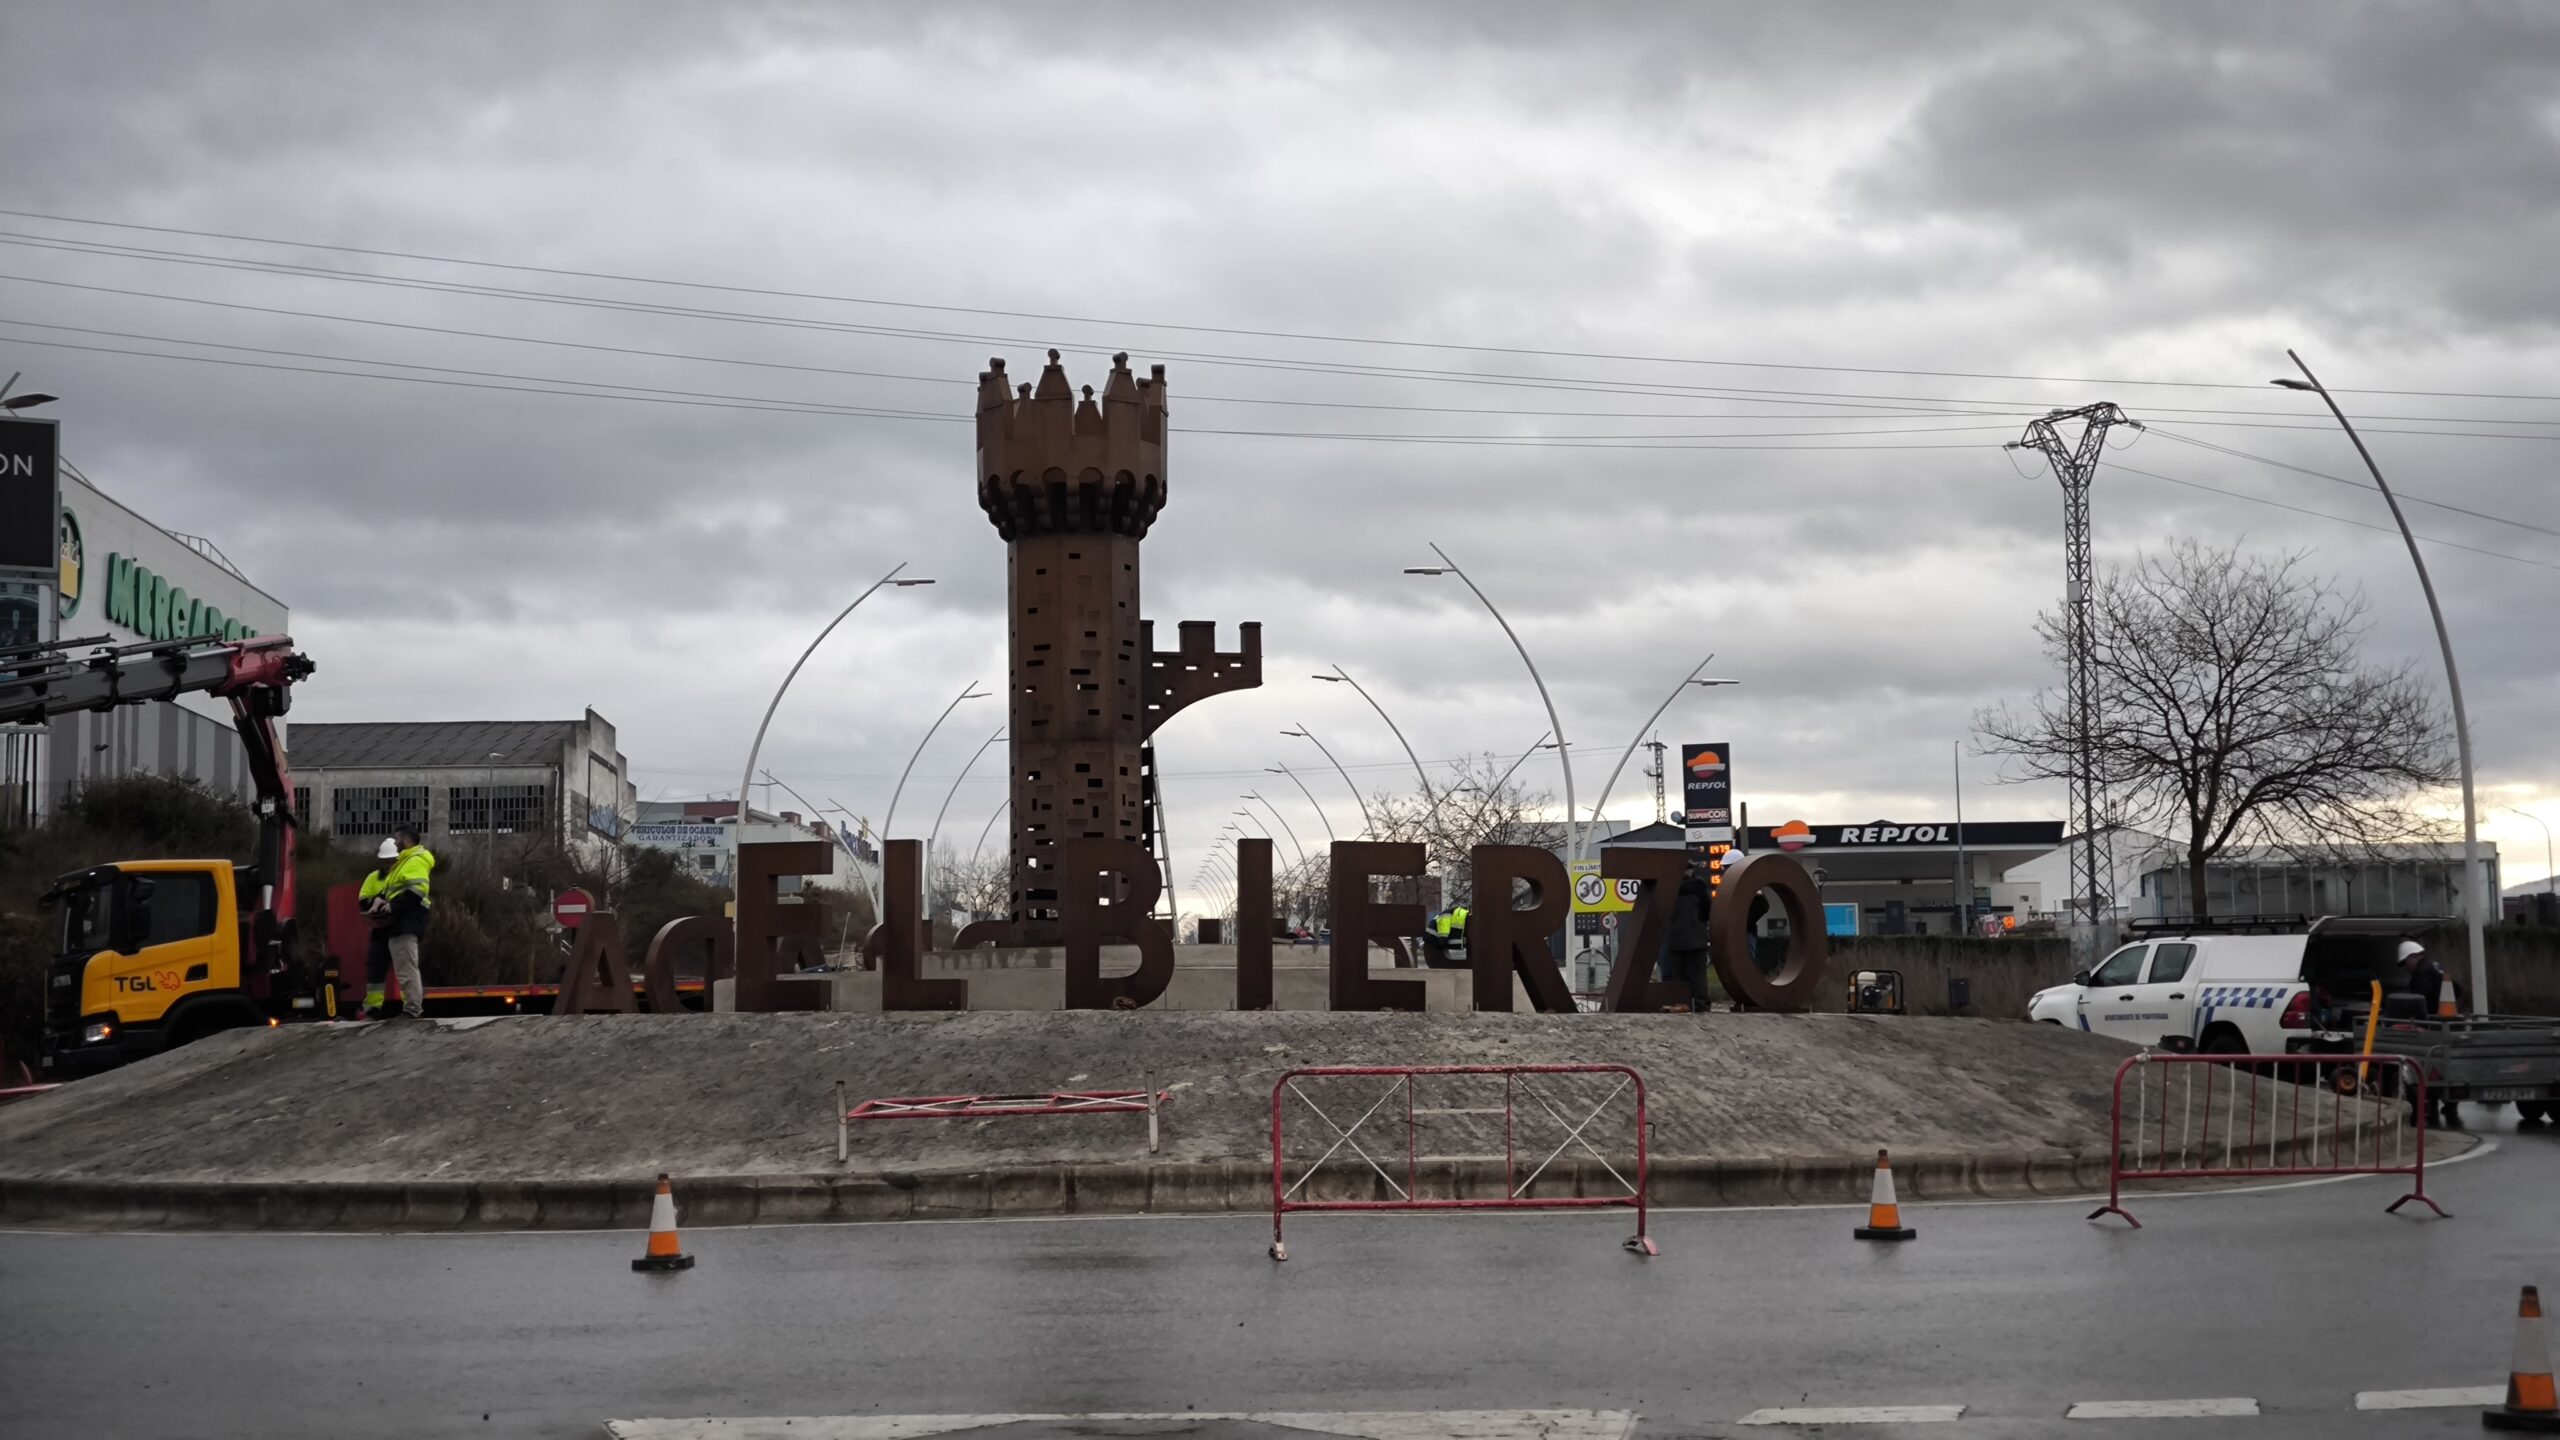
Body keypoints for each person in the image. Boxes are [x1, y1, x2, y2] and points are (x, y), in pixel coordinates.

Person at [378, 825, 437, 1020]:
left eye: (397, 838)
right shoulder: (405, 862)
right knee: (404, 967)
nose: (395, 842)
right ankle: (412, 1008)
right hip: (402, 921)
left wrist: (393, 907)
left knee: (407, 968)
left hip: (406, 921)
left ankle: (412, 1010)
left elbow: (416, 892)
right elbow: (401, 891)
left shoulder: (414, 861)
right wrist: (383, 902)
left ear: (406, 839)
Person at [357, 838, 398, 1018]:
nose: (390, 865)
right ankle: (373, 1007)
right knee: (375, 968)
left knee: (404, 969)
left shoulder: (403, 875)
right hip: (379, 930)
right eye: (387, 862)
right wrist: (374, 903)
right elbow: (362, 900)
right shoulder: (373, 878)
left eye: (393, 861)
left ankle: (410, 1007)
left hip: (399, 928)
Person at [1667, 858, 1713, 1012]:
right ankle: (1700, 1004)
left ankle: (1680, 1003)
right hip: (1696, 938)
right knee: (1698, 975)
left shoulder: (1670, 889)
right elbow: (1708, 911)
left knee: (1678, 975)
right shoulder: (1700, 887)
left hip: (1675, 938)